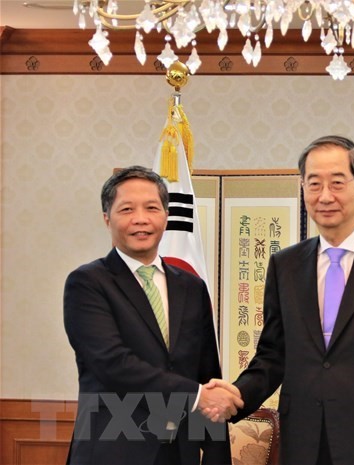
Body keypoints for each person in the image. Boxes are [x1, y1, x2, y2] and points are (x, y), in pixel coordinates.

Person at [207, 136, 354, 465]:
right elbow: (273, 356)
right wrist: (235, 396)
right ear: (302, 188)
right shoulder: (285, 266)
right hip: (304, 442)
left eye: (337, 183)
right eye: (314, 184)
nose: (325, 196)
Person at [63, 166, 243, 465]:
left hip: (179, 452)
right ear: (107, 218)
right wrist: (198, 396)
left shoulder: (191, 286)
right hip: (113, 449)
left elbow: (206, 371)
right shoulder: (88, 283)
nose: (141, 219)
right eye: (127, 209)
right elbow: (113, 363)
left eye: (151, 208)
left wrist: (215, 455)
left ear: (166, 215)